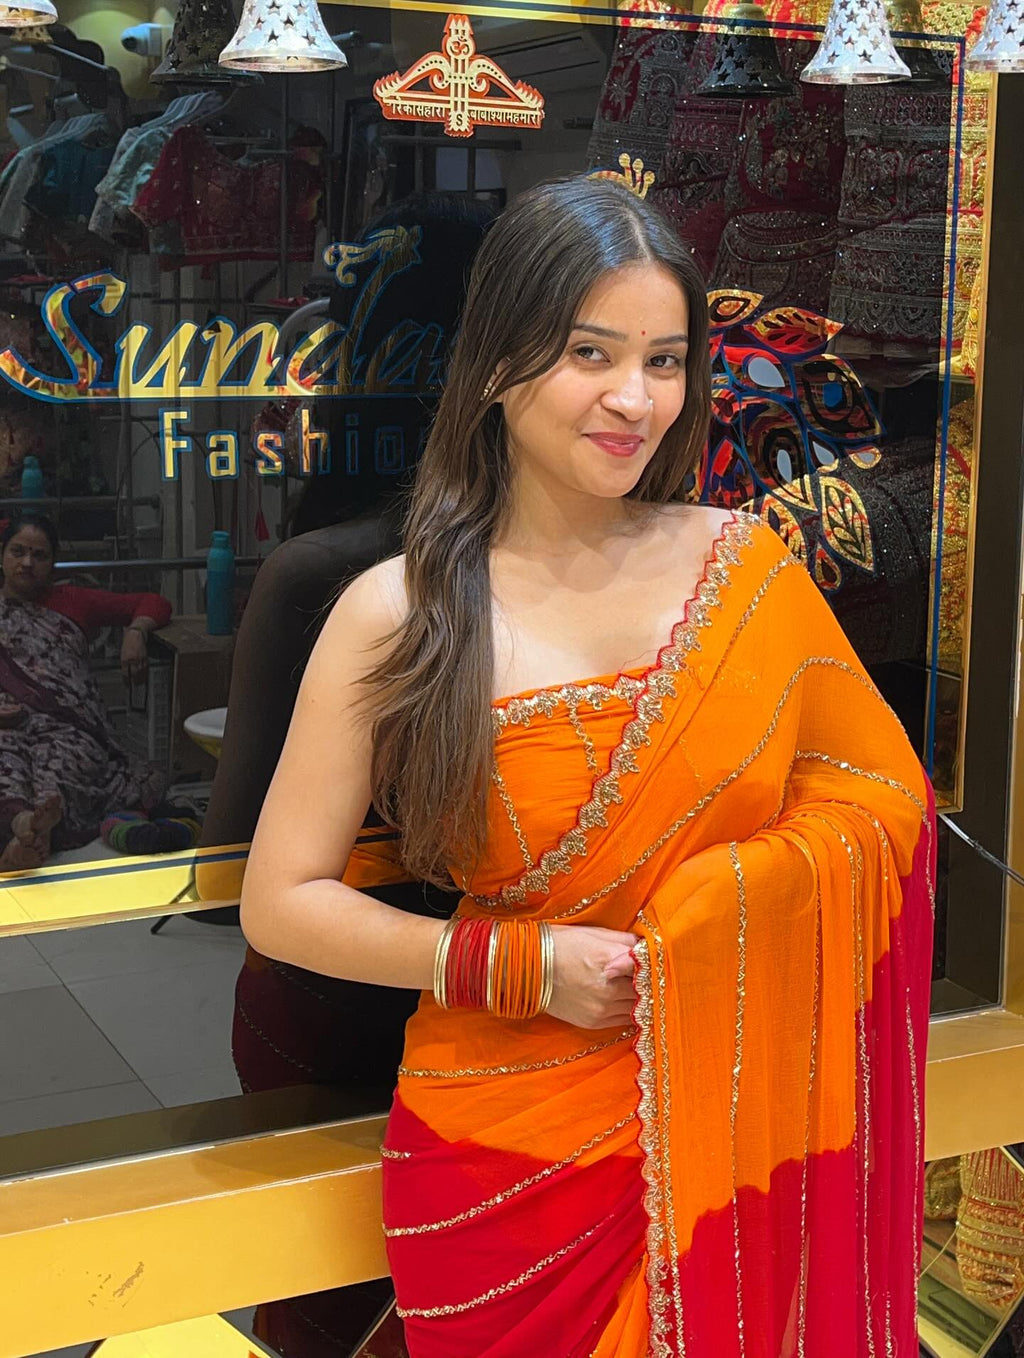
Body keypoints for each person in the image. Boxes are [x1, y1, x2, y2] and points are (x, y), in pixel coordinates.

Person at [241, 178, 935, 1357]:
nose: (633, 398)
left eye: (664, 360)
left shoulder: (742, 566)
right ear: (500, 363)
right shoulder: (396, 609)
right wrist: (524, 964)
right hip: (501, 1154)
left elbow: (878, 801)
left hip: (730, 1120)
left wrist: (715, 916)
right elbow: (281, 904)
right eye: (589, 352)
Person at [0, 511, 171, 869]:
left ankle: (32, 834)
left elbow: (154, 603)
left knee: (60, 767)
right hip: (7, 723)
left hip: (69, 726)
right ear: (3, 555)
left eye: (39, 555)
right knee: (5, 761)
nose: (27, 563)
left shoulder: (72, 600)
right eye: (17, 552)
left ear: (53, 562)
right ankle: (23, 825)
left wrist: (136, 632)